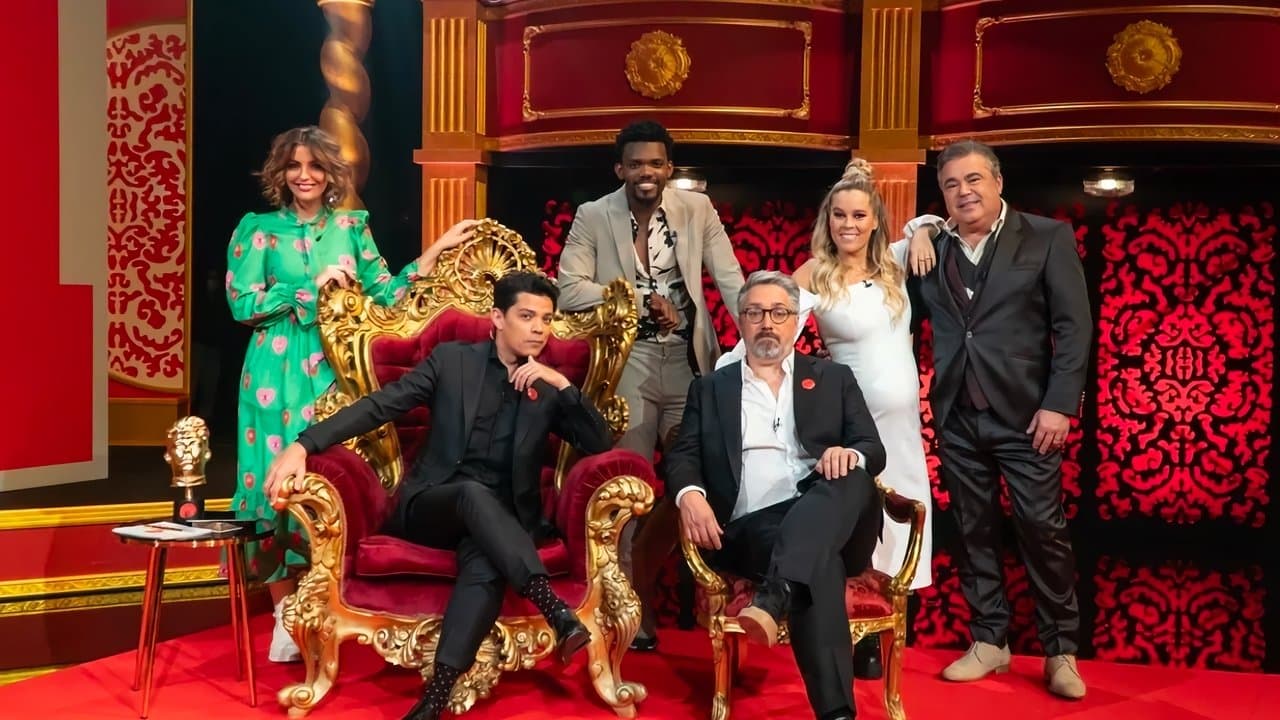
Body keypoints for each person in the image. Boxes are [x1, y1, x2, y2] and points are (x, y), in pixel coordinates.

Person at [265, 270, 613, 720]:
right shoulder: (453, 361)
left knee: (486, 563)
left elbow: (599, 443)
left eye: (546, 319)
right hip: (434, 505)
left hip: (501, 524)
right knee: (471, 493)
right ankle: (554, 608)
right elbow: (380, 405)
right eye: (527, 317)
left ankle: (433, 701)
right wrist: (304, 445)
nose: (539, 329)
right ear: (498, 317)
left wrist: (563, 386)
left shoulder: (546, 387)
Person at [225, 125, 476, 663]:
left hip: (334, 369)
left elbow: (385, 293)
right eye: (294, 166)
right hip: (272, 374)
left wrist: (434, 252)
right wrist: (305, 290)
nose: (305, 176)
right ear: (280, 173)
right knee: (273, 482)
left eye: (315, 166)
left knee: (328, 476)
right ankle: (284, 616)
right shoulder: (258, 230)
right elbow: (242, 303)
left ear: (330, 173)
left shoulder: (350, 227)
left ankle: (322, 604)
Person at [719, 158, 934, 677]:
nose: (849, 224)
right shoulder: (815, 274)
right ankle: (844, 632)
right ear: (827, 220)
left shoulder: (896, 262)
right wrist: (726, 372)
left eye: (859, 215)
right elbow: (770, 320)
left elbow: (933, 223)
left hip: (902, 428)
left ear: (875, 220)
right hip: (851, 424)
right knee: (856, 518)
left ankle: (879, 632)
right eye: (839, 215)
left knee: (902, 516)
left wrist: (924, 229)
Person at [906, 140, 1092, 699]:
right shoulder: (930, 247)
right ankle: (990, 640)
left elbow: (1074, 327)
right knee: (973, 529)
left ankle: (1061, 650)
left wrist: (1060, 404)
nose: (963, 192)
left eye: (973, 180)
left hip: (1028, 416)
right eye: (951, 185)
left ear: (998, 182)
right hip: (957, 415)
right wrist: (920, 228)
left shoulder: (1047, 237)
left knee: (1042, 530)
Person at [557, 119, 744, 649]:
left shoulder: (697, 210)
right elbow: (568, 289)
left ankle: (657, 573)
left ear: (669, 168)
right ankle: (629, 607)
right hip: (627, 361)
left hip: (687, 361)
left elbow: (730, 279)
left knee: (699, 477)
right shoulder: (594, 215)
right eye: (636, 163)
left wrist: (760, 334)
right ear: (620, 169)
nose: (647, 172)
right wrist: (639, 301)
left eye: (656, 163)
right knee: (629, 486)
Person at [666, 270, 886, 720]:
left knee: (854, 475)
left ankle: (777, 591)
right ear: (741, 321)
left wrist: (848, 454)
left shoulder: (833, 378)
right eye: (755, 313)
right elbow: (682, 456)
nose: (767, 322)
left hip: (833, 516)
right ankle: (838, 714)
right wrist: (689, 494)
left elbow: (873, 449)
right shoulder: (711, 388)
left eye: (779, 313)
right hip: (754, 529)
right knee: (817, 564)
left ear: (796, 320)